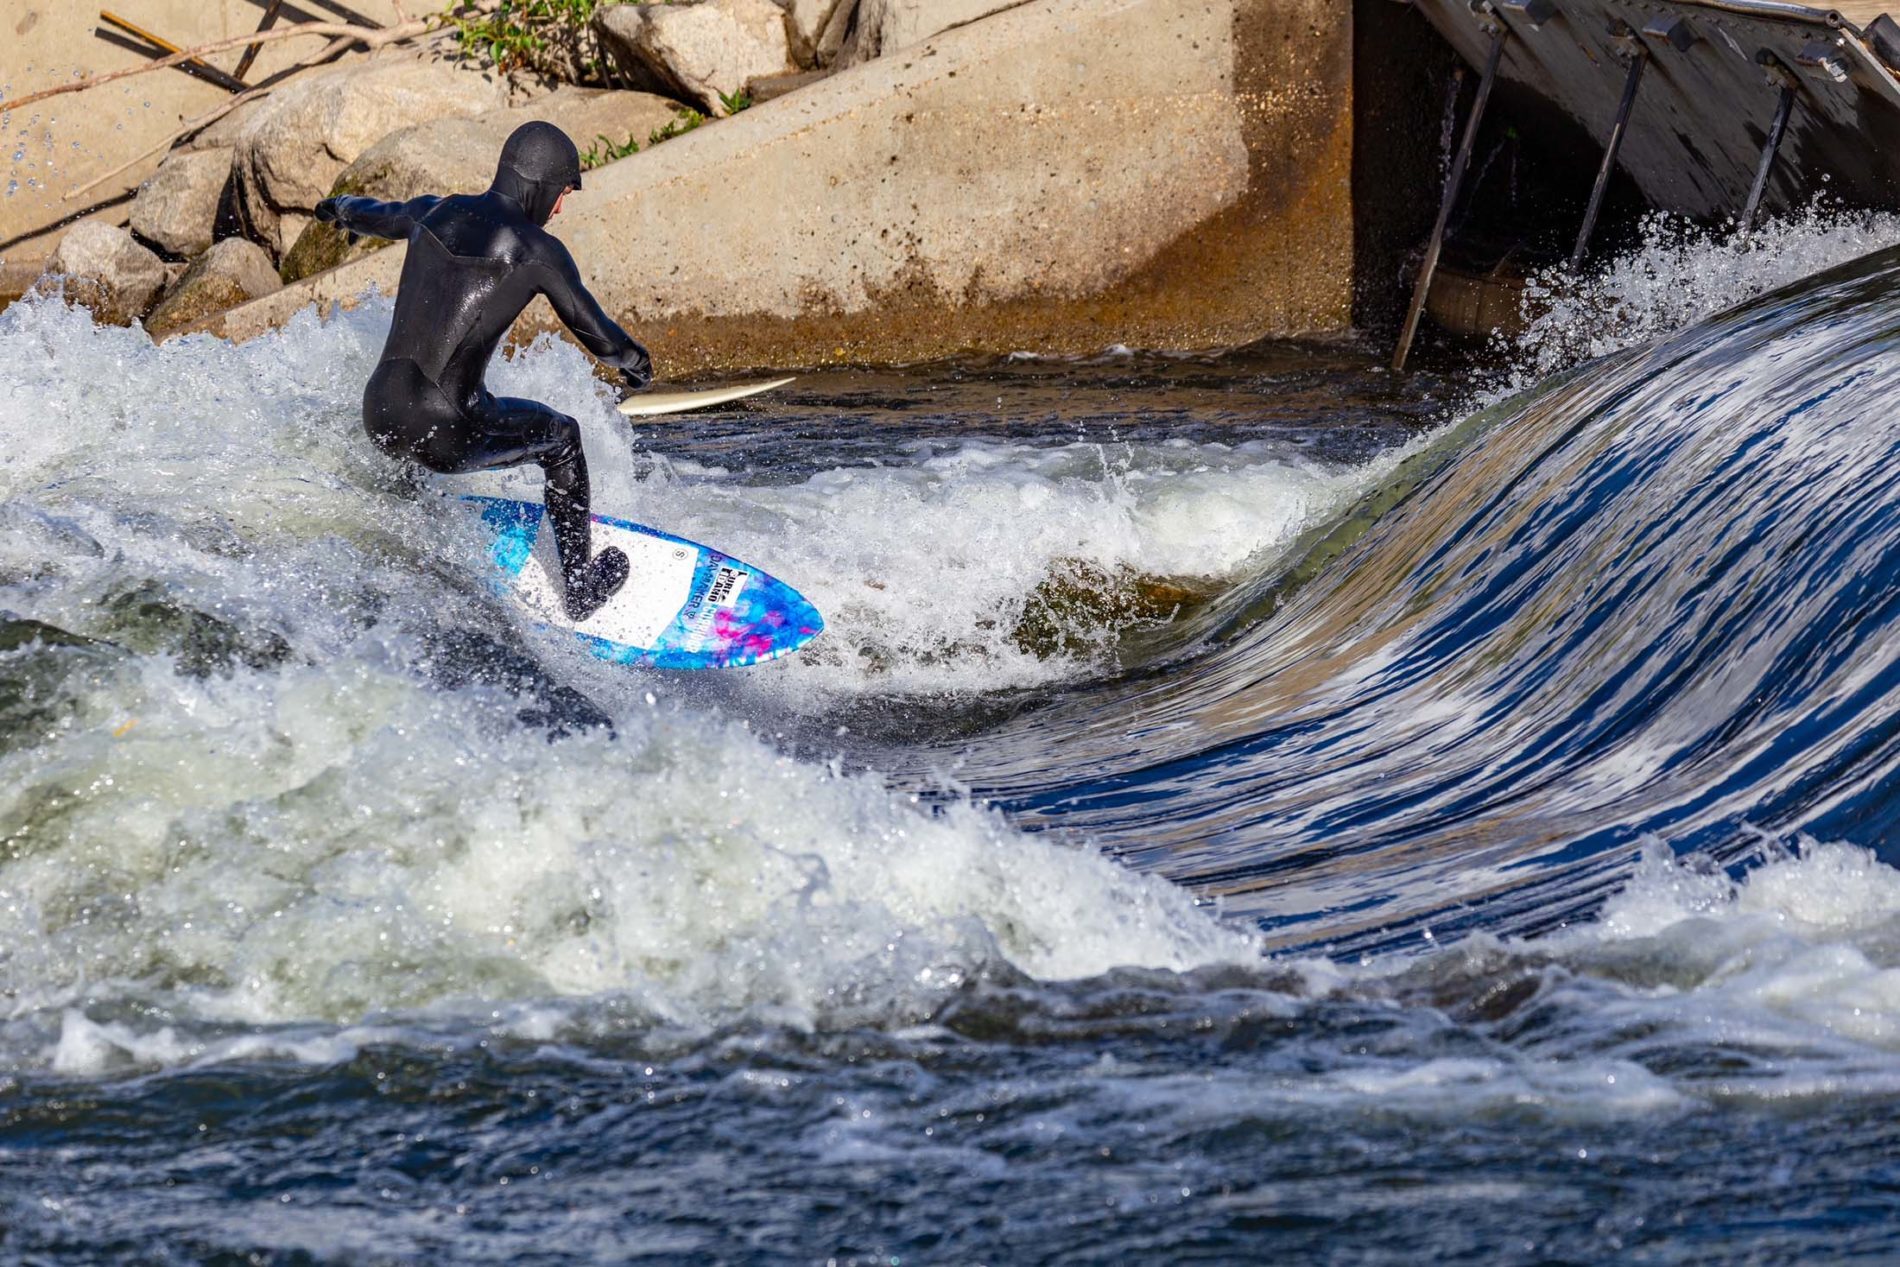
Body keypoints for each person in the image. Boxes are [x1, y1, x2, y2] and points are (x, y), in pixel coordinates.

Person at [316, 121, 653, 621]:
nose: (559, 208)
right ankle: (580, 588)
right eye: (562, 194)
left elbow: (371, 214)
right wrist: (638, 365)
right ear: (540, 186)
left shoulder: (435, 210)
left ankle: (411, 527)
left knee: (421, 427)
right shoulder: (535, 251)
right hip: (444, 430)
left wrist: (336, 208)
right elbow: (600, 338)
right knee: (562, 437)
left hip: (379, 413)